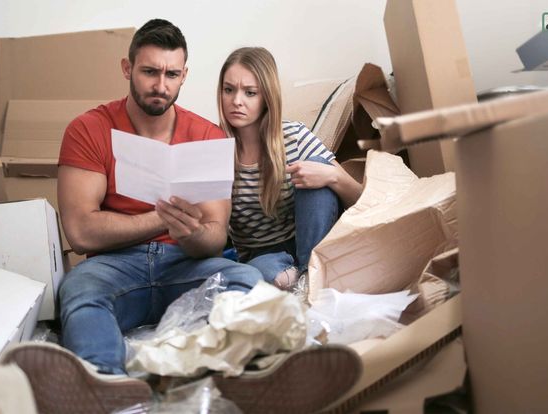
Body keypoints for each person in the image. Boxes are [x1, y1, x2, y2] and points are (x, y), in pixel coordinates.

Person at [55, 19, 262, 381]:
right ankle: (107, 382)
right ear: (127, 68)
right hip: (113, 267)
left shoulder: (207, 136)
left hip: (184, 264)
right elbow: (81, 233)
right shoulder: (88, 129)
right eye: (150, 72)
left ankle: (212, 374)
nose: (161, 86)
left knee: (248, 280)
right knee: (79, 290)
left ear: (184, 76)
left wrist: (191, 233)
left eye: (172, 74)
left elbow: (214, 239)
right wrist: (162, 218)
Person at [217, 47, 363, 289]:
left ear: (267, 97)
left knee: (318, 167)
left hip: (311, 238)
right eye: (228, 90)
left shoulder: (294, 136)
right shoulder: (216, 148)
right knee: (255, 275)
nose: (236, 101)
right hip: (263, 257)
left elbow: (361, 200)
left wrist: (333, 175)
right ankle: (307, 280)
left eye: (250, 92)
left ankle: (308, 276)